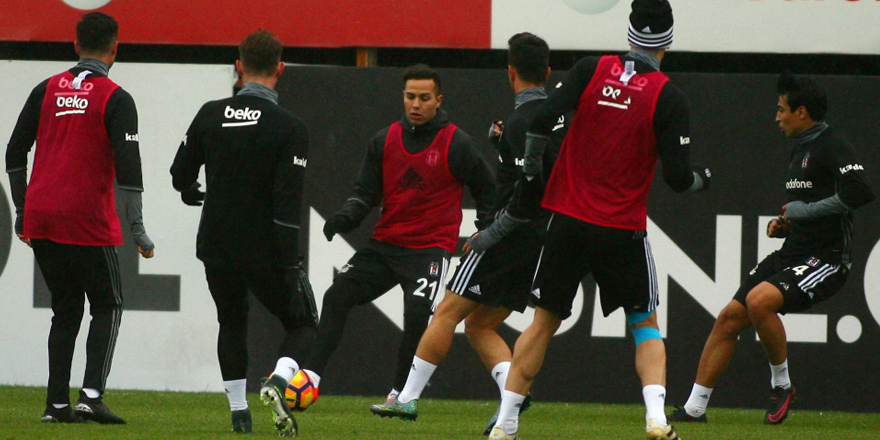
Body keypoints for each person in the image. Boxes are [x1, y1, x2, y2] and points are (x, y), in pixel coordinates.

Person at [487, 1, 712, 439]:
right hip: (621, 228)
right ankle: (656, 418)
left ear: (630, 33)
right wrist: (702, 180)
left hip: (568, 219)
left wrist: (530, 167)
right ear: (667, 40)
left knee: (543, 322)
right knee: (643, 323)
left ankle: (507, 423)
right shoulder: (669, 96)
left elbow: (543, 117)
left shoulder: (592, 69)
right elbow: (677, 178)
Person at [269, 63, 494, 420]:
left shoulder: (457, 142)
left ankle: (400, 395)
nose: (416, 104)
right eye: (410, 96)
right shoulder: (384, 139)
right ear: (402, 97)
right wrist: (346, 217)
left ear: (439, 100)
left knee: (417, 315)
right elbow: (365, 192)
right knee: (337, 295)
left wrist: (485, 227)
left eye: (424, 98)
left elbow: (488, 188)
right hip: (385, 245)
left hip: (429, 249)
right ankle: (310, 377)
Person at [369, 34, 566, 436]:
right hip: (542, 239)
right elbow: (545, 172)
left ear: (510, 72)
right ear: (547, 72)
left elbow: (525, 192)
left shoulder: (521, 122)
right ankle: (512, 394)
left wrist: (490, 235)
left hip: (508, 236)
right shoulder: (559, 118)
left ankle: (406, 397)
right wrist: (501, 143)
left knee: (446, 312)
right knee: (479, 325)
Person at [669, 73, 874, 426]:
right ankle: (695, 408)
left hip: (826, 260)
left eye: (781, 110)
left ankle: (782, 385)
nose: (776, 117)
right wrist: (786, 225)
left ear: (802, 112)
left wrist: (804, 212)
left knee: (759, 301)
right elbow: (809, 208)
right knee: (728, 318)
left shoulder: (833, 144)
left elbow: (860, 192)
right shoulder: (800, 149)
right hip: (792, 253)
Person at [5, 12, 154, 425]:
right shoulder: (116, 98)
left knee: (66, 309)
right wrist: (138, 229)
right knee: (108, 303)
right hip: (86, 219)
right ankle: (90, 396)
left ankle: (56, 405)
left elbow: (14, 151)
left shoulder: (46, 88)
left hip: (43, 218)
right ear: (115, 49)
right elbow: (130, 169)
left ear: (75, 45)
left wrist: (22, 211)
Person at [170, 30, 317, 436]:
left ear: (239, 67)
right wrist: (290, 267)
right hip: (265, 248)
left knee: (231, 321)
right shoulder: (290, 128)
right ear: (280, 70)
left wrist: (189, 190)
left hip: (216, 244)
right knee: (303, 324)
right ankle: (278, 382)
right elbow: (287, 208)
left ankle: (239, 413)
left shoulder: (210, 113)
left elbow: (179, 173)